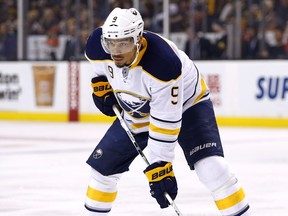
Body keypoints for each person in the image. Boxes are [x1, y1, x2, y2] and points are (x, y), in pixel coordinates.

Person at [84, 7, 251, 216]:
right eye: (111, 43)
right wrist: (100, 84)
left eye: (123, 43)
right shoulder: (98, 45)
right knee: (102, 171)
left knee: (212, 168)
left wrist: (161, 166)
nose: (116, 51)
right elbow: (100, 67)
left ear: (138, 39)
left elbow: (165, 121)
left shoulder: (163, 63)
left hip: (187, 105)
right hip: (136, 111)